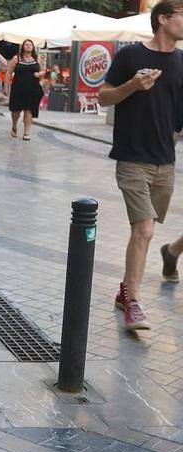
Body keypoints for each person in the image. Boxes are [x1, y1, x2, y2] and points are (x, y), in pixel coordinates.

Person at [99, 0, 183, 330]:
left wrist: (174, 133)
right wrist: (133, 85)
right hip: (132, 158)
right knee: (144, 229)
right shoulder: (131, 56)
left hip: (165, 162)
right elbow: (104, 97)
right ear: (163, 19)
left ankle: (124, 293)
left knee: (147, 231)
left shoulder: (180, 62)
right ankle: (132, 302)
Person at [4, 39, 44, 140]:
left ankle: (26, 132)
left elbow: (43, 70)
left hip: (32, 88)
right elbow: (8, 72)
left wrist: (39, 74)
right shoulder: (16, 58)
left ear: (33, 47)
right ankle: (14, 126)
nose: (28, 46)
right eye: (26, 44)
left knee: (29, 110)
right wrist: (6, 87)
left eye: (30, 45)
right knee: (16, 111)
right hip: (18, 88)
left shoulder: (37, 58)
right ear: (23, 47)